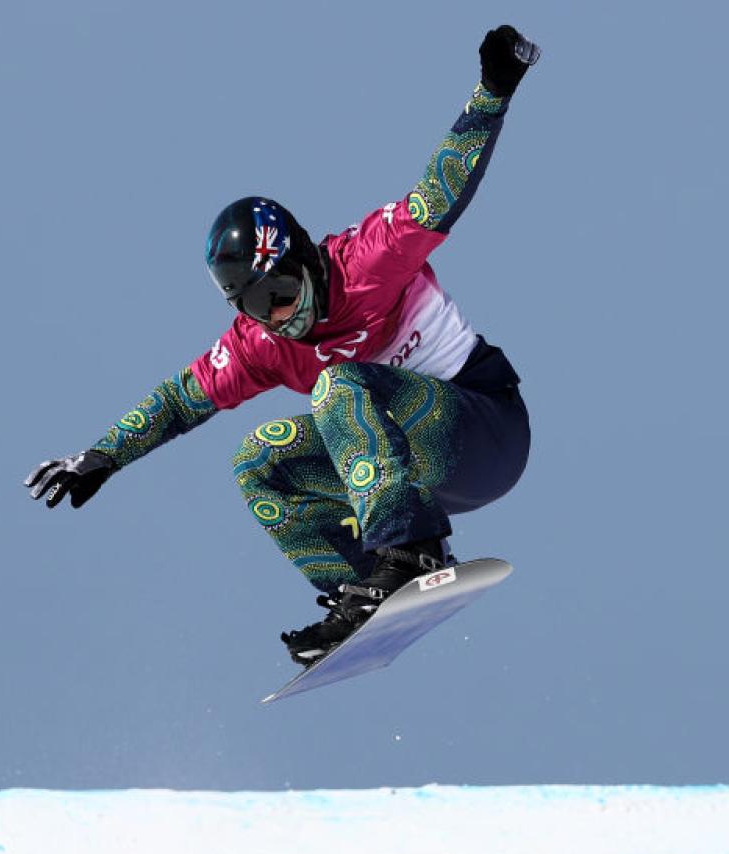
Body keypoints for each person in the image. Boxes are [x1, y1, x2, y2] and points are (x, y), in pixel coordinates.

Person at [26, 25, 540, 667]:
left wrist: (492, 91)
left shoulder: (368, 261)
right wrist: (104, 455)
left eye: (281, 292)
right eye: (254, 307)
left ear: (306, 262)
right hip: (414, 476)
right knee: (258, 461)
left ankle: (408, 557)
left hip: (486, 431)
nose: (279, 317)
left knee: (340, 383)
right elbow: (179, 401)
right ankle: (363, 593)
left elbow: (440, 193)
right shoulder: (261, 343)